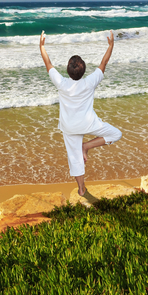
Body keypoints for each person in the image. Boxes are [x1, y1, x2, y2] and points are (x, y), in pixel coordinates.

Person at [40, 30, 121, 196]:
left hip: (69, 127)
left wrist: (41, 46)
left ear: (68, 70)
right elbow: (103, 63)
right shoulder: (90, 82)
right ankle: (87, 146)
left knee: (75, 159)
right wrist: (111, 45)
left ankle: (81, 189)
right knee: (116, 134)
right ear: (83, 71)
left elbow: (48, 63)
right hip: (89, 123)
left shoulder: (61, 83)